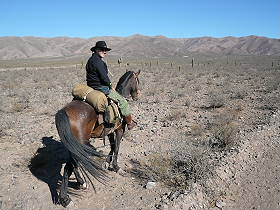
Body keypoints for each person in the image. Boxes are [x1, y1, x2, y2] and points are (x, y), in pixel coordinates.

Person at [86, 41, 137, 130]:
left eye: (105, 50)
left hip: (90, 87)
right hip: (100, 87)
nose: (105, 52)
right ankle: (129, 123)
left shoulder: (90, 60)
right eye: (102, 50)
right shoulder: (98, 62)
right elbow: (104, 77)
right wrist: (110, 85)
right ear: (96, 50)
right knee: (123, 102)